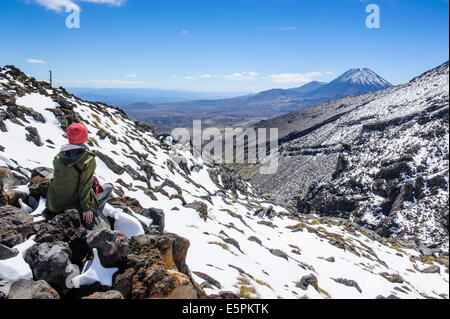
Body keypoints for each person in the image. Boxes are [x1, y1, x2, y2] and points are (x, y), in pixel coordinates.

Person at [46, 123, 112, 230]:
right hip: (73, 205)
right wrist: (86, 208)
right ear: (84, 137)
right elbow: (84, 186)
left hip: (54, 205)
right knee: (108, 188)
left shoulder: (58, 156)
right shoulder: (88, 159)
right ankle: (96, 213)